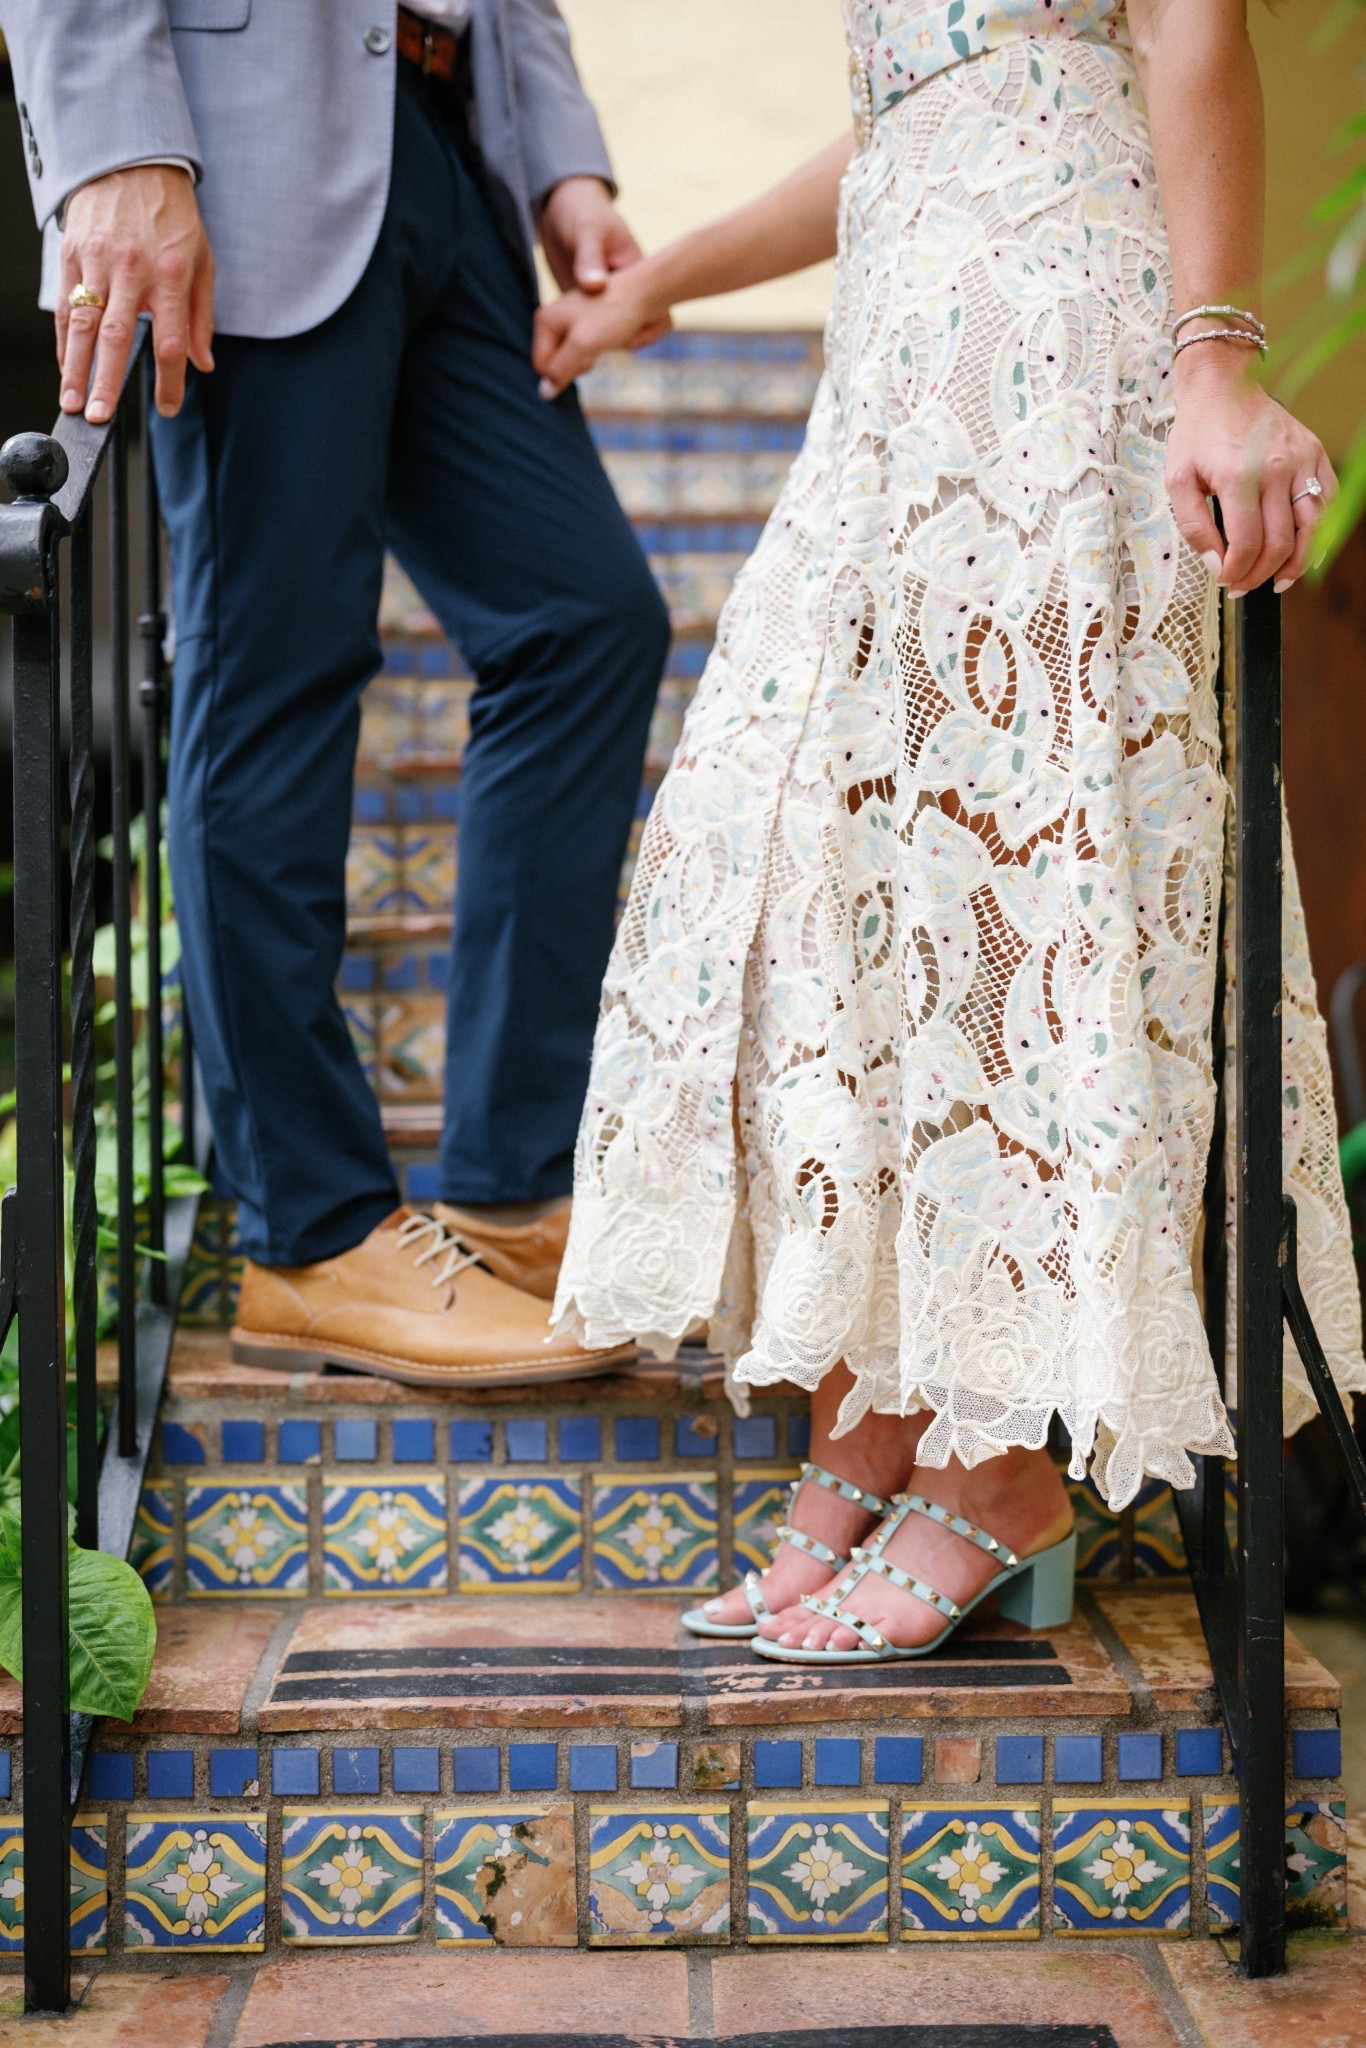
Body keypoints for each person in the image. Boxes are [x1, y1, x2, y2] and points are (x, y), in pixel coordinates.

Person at [539, 0, 1366, 1658]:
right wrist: (669, 279)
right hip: (899, 364)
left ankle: (998, 1471)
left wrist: (1215, 362)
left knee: (1000, 879)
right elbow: (919, 94)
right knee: (837, 883)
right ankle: (877, 1416)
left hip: (1050, 359)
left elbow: (1187, 34)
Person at [5, 1, 673, 1388]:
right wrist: (115, 143)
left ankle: (505, 1181)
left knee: (586, 619)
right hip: (246, 141)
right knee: (277, 666)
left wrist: (561, 160)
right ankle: (310, 1232)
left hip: (443, 133)